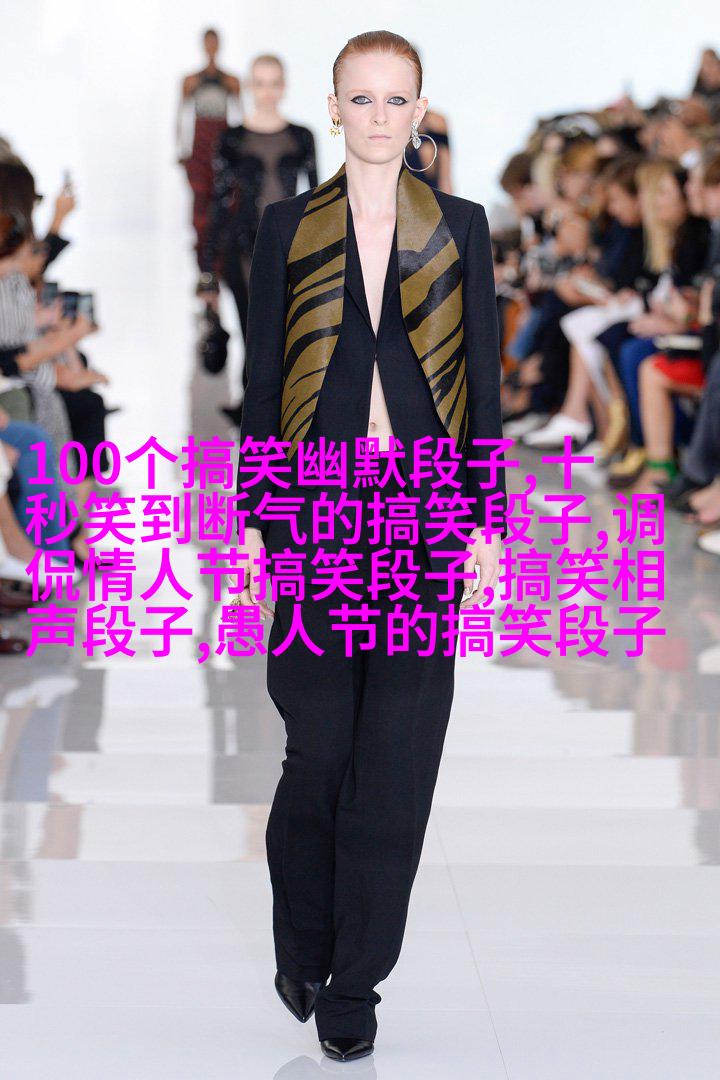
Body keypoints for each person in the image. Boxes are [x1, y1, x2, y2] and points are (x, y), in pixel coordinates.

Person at [233, 30, 507, 1063]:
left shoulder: (461, 226)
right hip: (313, 508)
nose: (380, 117)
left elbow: (483, 380)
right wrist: (256, 524)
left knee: (397, 758)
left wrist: (487, 523)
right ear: (334, 106)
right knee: (319, 748)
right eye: (363, 98)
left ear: (420, 110)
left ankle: (355, 984)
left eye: (398, 100)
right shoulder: (286, 227)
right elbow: (265, 386)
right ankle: (303, 936)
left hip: (425, 512)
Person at [199, 53, 317, 426]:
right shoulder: (231, 139)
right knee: (253, 330)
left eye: (273, 83)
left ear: (284, 87)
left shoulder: (302, 136)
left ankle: (286, 411)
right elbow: (219, 204)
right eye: (260, 83)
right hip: (243, 249)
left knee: (288, 330)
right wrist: (207, 270)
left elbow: (317, 197)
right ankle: (256, 414)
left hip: (292, 246)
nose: (267, 91)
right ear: (250, 87)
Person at [177, 27, 242, 267]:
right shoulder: (191, 80)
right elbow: (180, 116)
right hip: (200, 143)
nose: (211, 47)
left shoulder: (230, 80)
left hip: (222, 140)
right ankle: (203, 259)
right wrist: (182, 150)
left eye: (214, 42)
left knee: (225, 197)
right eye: (208, 43)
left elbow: (241, 114)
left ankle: (220, 258)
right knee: (200, 198)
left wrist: (240, 148)